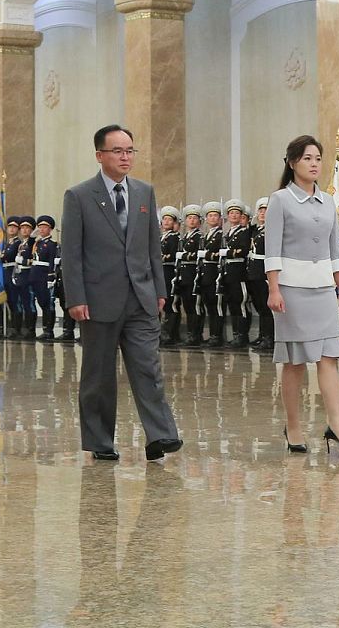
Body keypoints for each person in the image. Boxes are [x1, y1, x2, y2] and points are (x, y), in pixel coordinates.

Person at [61, 124, 182, 463]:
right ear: (100, 155)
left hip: (141, 296)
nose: (125, 156)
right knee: (98, 375)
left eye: (130, 150)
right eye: (117, 151)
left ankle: (161, 436)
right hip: (98, 299)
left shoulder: (144, 192)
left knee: (148, 368)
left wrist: (159, 288)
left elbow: (151, 247)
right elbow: (71, 252)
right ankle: (100, 441)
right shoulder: (79, 196)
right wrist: (75, 298)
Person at [265, 135, 339, 453]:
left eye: (318, 158)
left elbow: (336, 250)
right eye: (307, 158)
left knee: (330, 357)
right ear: (292, 162)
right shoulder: (280, 200)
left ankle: (337, 425)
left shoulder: (329, 202)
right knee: (294, 362)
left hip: (323, 289)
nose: (315, 164)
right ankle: (293, 427)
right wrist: (274, 288)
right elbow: (272, 249)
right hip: (291, 289)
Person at [221, 200, 252, 350]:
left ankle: (242, 335)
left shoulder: (244, 232)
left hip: (239, 272)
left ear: (241, 217)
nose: (234, 215)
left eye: (237, 213)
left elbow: (244, 250)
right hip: (228, 272)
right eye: (231, 213)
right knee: (232, 304)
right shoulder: (228, 233)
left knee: (240, 303)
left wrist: (227, 252)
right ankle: (235, 334)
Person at [247, 199, 274, 350]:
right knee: (260, 306)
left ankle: (269, 338)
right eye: (260, 210)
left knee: (266, 306)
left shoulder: (273, 230)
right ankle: (263, 335)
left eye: (266, 210)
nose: (262, 213)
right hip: (254, 271)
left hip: (264, 271)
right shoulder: (256, 230)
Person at [176, 204, 204, 348]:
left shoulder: (199, 236)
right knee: (187, 305)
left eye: (195, 218)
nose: (192, 221)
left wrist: (185, 255)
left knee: (194, 306)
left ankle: (195, 334)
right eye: (189, 218)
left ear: (199, 221)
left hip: (194, 274)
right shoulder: (185, 237)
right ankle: (190, 332)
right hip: (184, 275)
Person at [199, 201, 226, 347]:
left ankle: (217, 335)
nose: (213, 218)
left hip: (215, 273)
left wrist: (207, 254)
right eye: (210, 215)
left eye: (216, 215)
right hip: (205, 274)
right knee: (209, 305)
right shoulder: (206, 235)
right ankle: (212, 334)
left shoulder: (221, 235)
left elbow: (218, 255)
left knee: (217, 306)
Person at [31, 215, 60, 341]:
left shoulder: (52, 244)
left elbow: (52, 261)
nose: (42, 229)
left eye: (45, 227)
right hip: (35, 275)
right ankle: (45, 329)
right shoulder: (37, 243)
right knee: (41, 303)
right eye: (40, 227)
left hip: (44, 275)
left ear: (50, 229)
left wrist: (51, 276)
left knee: (48, 303)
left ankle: (49, 330)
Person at [158, 206, 182, 346]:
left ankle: (170, 333)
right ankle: (162, 332)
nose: (166, 222)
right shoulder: (161, 237)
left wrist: (161, 257)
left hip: (169, 272)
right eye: (164, 219)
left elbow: (172, 255)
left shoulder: (174, 237)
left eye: (169, 219)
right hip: (160, 272)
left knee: (170, 302)